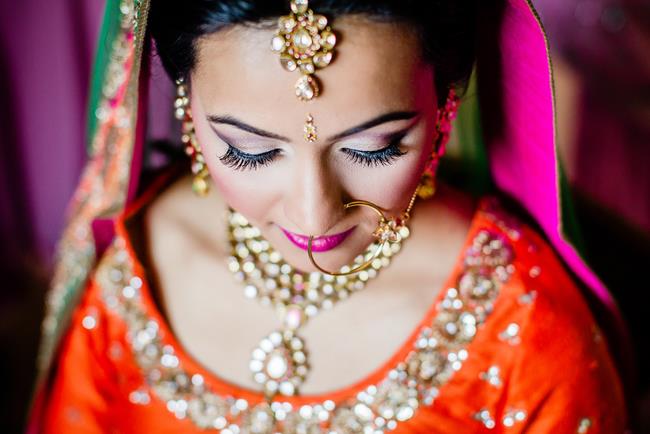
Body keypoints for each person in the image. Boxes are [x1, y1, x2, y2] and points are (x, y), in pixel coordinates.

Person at [27, 0, 631, 432]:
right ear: (185, 105)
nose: (314, 213)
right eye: (251, 151)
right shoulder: (138, 268)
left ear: (448, 98)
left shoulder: (525, 332)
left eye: (374, 149)